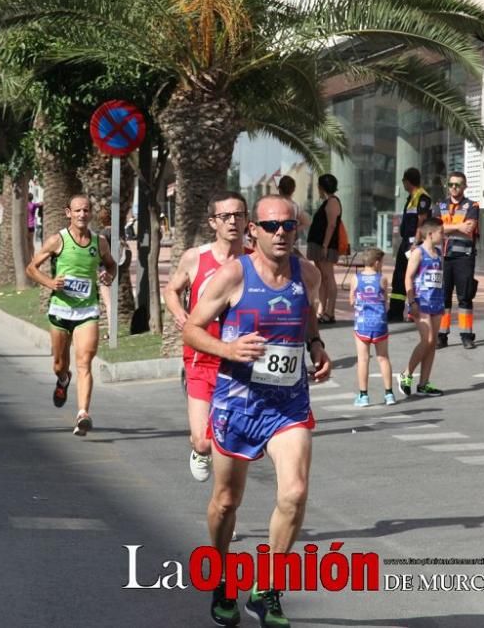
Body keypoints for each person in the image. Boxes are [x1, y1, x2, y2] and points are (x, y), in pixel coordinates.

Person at [183, 195, 331, 627]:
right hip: (237, 402)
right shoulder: (233, 276)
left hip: (288, 404)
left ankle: (266, 590)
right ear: (254, 231)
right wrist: (228, 348)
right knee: (227, 501)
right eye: (270, 226)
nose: (281, 233)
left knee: (295, 492)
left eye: (288, 226)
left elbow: (306, 319)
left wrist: (316, 346)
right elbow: (192, 328)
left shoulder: (306, 273)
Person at [163, 191, 249, 481]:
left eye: (239, 215)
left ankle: (225, 510)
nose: (233, 222)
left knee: (229, 443)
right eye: (226, 216)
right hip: (202, 358)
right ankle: (200, 451)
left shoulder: (255, 261)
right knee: (203, 441)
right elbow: (172, 289)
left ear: (248, 220)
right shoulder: (195, 258)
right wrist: (179, 313)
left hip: (240, 362)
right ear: (213, 222)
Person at [25, 194, 116, 436]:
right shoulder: (58, 240)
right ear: (68, 213)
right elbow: (31, 268)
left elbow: (111, 264)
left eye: (86, 210)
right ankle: (63, 379)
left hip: (87, 310)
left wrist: (109, 275)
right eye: (77, 211)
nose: (82, 215)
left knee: (84, 361)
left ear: (91, 213)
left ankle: (83, 413)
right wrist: (51, 283)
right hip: (60, 310)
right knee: (59, 364)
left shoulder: (100, 242)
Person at [398, 218, 446, 397]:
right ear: (430, 234)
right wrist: (411, 302)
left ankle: (424, 383)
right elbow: (408, 277)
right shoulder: (418, 252)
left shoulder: (439, 253)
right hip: (421, 301)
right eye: (441, 232)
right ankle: (406, 374)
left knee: (432, 343)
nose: (443, 235)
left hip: (436, 302)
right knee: (427, 339)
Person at [434, 171, 479, 349]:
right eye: (451, 184)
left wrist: (447, 228)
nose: (454, 187)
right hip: (443, 257)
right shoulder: (440, 205)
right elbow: (436, 229)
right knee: (443, 298)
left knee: (465, 297)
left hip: (464, 257)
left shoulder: (472, 205)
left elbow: (469, 229)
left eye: (458, 184)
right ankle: (441, 336)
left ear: (465, 186)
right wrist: (458, 226)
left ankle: (466, 335)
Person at [350, 247, 395, 407]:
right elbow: (386, 302)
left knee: (363, 359)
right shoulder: (382, 279)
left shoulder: (356, 279)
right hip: (379, 323)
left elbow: (351, 301)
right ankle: (389, 393)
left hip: (362, 323)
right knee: (383, 357)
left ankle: (363, 395)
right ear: (376, 263)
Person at [388, 168, 432, 321]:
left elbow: (421, 221)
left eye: (403, 181)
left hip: (415, 243)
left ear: (407, 181)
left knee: (413, 276)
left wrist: (415, 242)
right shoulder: (411, 197)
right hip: (406, 242)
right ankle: (395, 311)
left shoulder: (422, 197)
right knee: (399, 276)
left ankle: (415, 310)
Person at [305, 173, 343, 324]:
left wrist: (325, 246)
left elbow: (332, 225)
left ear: (322, 187)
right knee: (322, 278)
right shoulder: (328, 202)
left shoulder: (333, 202)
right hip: (321, 245)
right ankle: (322, 310)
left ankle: (330, 312)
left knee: (328, 278)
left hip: (325, 246)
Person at [27, 192, 42, 259]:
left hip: (25, 226)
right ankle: (32, 257)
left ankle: (28, 257)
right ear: (32, 198)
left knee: (26, 242)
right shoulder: (33, 205)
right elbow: (41, 203)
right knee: (31, 242)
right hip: (32, 225)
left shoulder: (25, 205)